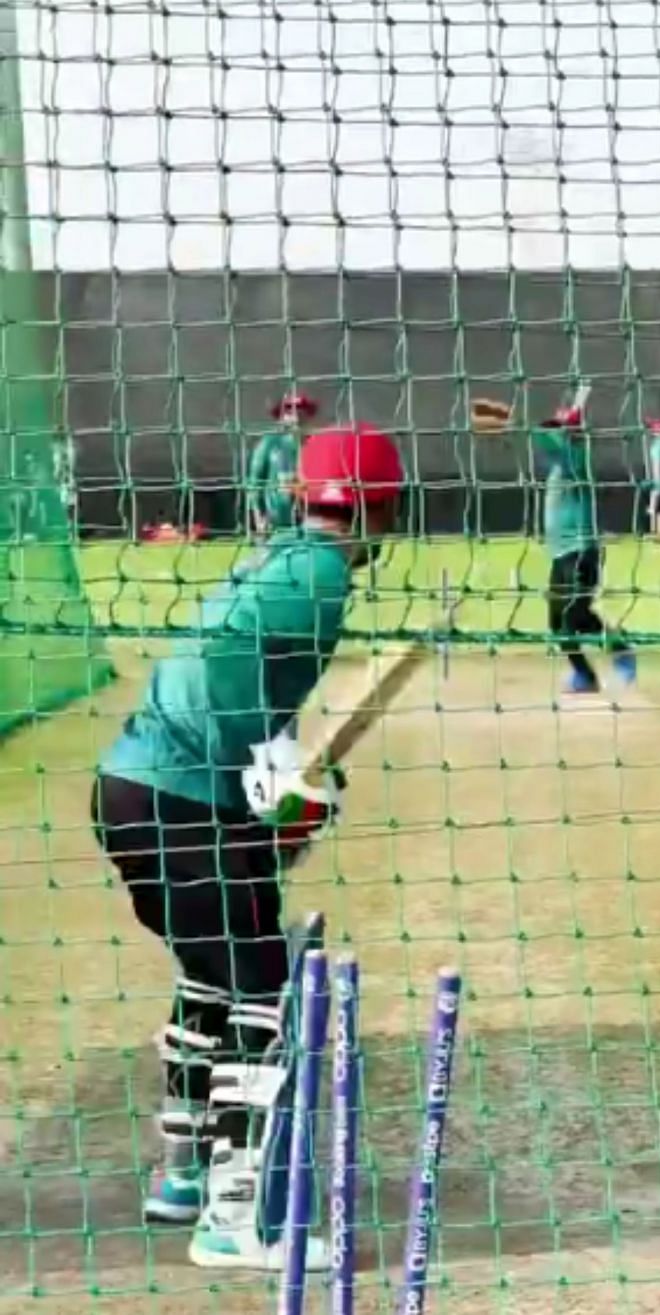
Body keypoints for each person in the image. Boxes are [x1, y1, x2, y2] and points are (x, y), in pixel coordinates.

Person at [92, 422, 406, 1268]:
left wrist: (267, 798)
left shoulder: (279, 557)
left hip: (128, 789)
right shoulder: (322, 579)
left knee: (210, 975)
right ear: (387, 508)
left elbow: (233, 682)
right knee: (263, 996)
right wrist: (270, 794)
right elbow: (230, 696)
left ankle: (184, 1175)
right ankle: (235, 1218)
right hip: (183, 797)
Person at [484, 397, 635, 695]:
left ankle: (622, 652)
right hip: (560, 556)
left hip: (581, 553)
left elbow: (547, 441)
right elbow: (541, 443)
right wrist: (509, 436)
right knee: (557, 622)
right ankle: (585, 676)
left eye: (560, 429)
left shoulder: (575, 458)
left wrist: (515, 422)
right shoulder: (559, 463)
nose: (554, 433)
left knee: (574, 617)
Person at [244, 392, 316, 538]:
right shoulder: (269, 443)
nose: (295, 414)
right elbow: (255, 483)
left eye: (300, 408)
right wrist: (259, 516)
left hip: (308, 522)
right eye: (289, 409)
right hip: (275, 523)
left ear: (308, 414)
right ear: (281, 417)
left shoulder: (315, 443)